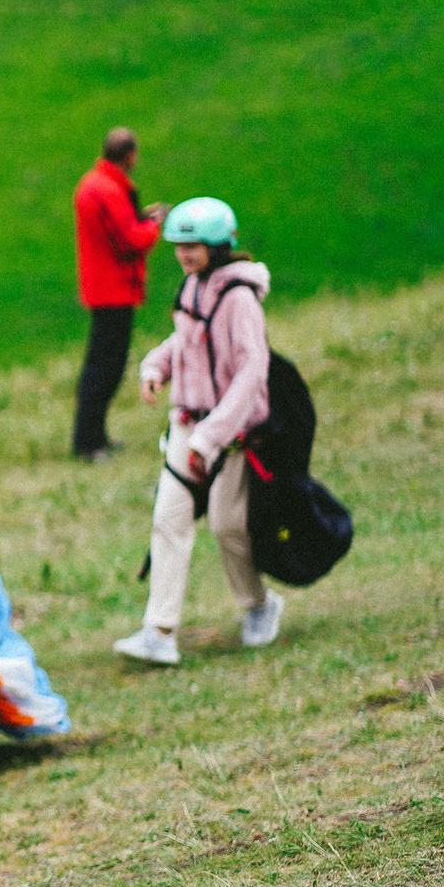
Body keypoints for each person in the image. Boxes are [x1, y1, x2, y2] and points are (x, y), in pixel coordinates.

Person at [112, 197, 284, 666]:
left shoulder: (240, 299)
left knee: (229, 525)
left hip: (231, 433)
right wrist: (156, 366)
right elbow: (187, 340)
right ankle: (159, 631)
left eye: (193, 245)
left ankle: (258, 605)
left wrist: (212, 438)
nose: (184, 254)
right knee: (169, 519)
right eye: (179, 245)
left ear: (218, 245)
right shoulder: (193, 288)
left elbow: (252, 371)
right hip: (187, 423)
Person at [72, 129, 170, 462]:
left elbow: (118, 229)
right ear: (130, 155)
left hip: (102, 288)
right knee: (106, 367)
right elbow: (133, 241)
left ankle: (93, 435)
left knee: (100, 365)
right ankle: (89, 442)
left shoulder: (94, 183)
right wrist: (155, 224)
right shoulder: (110, 189)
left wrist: (141, 218)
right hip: (114, 289)